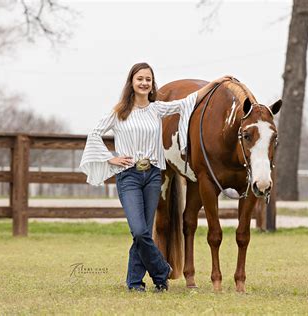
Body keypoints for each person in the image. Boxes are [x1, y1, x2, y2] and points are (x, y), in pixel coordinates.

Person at [80, 62, 232, 292]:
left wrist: (216, 83)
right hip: (128, 176)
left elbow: (187, 102)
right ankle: (162, 270)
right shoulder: (120, 112)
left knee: (140, 234)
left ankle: (135, 283)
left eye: (148, 79)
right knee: (140, 231)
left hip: (152, 176)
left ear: (152, 84)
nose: (144, 83)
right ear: (131, 82)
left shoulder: (156, 109)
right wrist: (111, 159)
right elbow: (94, 134)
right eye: (140, 78)